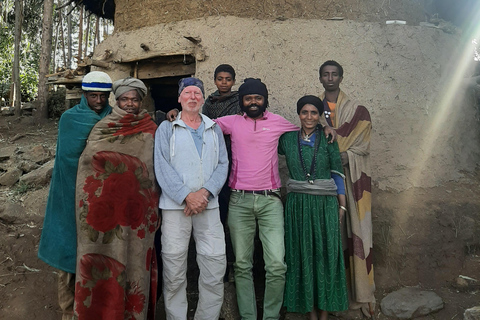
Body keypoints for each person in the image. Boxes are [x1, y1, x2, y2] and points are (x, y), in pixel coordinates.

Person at [214, 78, 336, 320]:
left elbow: (305, 128)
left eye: (257, 98)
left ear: (264, 100)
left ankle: (270, 316)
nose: (253, 102)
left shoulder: (279, 123)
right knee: (241, 265)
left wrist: (325, 127)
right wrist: (173, 113)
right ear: (242, 101)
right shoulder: (231, 123)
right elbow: (199, 123)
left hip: (271, 202)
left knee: (277, 266)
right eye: (248, 98)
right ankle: (249, 317)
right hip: (239, 202)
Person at [74, 77, 159, 319]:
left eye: (134, 99)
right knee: (102, 261)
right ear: (117, 100)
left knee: (134, 261)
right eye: (124, 99)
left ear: (141, 101)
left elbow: (154, 169)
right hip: (105, 214)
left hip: (138, 214)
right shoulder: (103, 127)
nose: (130, 103)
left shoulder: (150, 127)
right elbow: (88, 166)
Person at [37, 71, 113, 320]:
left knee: (101, 252)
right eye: (93, 96)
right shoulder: (70, 119)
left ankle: (95, 308)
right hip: (70, 193)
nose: (99, 101)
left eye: (103, 96)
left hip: (103, 198)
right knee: (69, 249)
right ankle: (69, 311)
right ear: (84, 95)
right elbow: (71, 159)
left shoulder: (114, 117)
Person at [154, 77, 229, 320]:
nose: (193, 97)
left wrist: (204, 194)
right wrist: (187, 196)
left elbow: (223, 164)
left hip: (208, 205)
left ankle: (207, 316)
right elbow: (162, 166)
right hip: (176, 208)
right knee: (174, 268)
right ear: (179, 98)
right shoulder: (167, 128)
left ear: (202, 97)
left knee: (214, 264)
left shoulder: (213, 127)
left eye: (197, 93)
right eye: (187, 93)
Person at [279, 95, 348, 320]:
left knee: (326, 255)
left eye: (314, 113)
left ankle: (325, 315)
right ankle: (310, 313)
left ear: (319, 116)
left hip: (325, 204)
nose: (309, 117)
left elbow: (337, 171)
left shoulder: (328, 139)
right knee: (301, 254)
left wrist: (342, 206)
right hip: (298, 204)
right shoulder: (287, 139)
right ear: (298, 114)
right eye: (304, 112)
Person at [318, 60, 375, 316]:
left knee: (357, 233)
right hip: (324, 182)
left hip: (353, 182)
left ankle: (361, 295)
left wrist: (345, 155)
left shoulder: (357, 110)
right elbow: (313, 140)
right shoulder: (313, 109)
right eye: (325, 74)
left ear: (341, 77)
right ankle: (333, 296)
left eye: (334, 74)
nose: (330, 78)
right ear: (320, 78)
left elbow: (362, 145)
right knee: (330, 237)